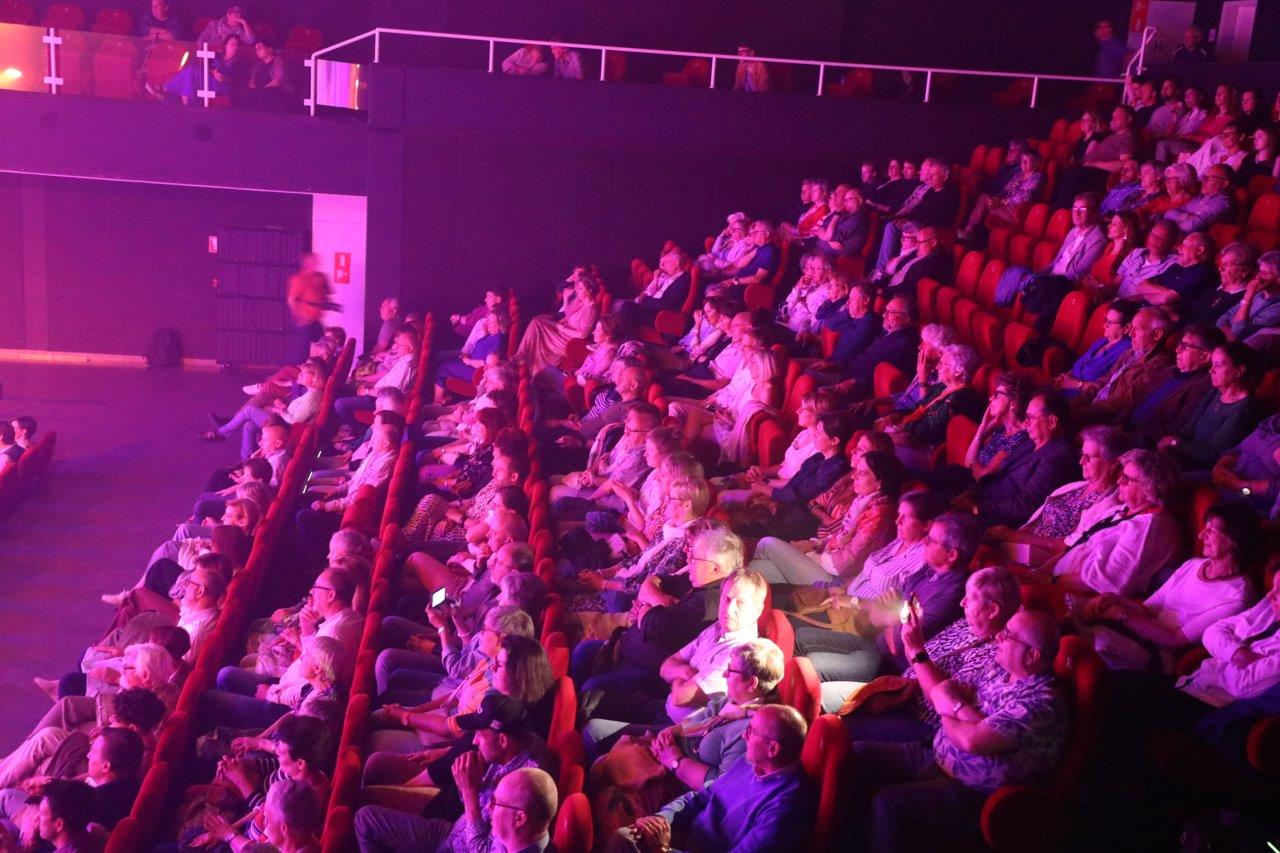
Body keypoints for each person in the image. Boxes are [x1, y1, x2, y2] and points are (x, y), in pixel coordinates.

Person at [848, 610, 1068, 852]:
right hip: (934, 754)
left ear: (1032, 655)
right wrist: (961, 710)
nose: (999, 637)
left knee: (888, 802)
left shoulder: (1041, 703)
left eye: (1008, 635)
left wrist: (952, 707)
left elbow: (970, 740)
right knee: (855, 756)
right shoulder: (999, 669)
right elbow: (943, 692)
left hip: (972, 793)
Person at [354, 694, 558, 853]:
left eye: (480, 734)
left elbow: (482, 848)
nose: (475, 740)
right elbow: (475, 804)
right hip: (455, 831)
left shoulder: (523, 784)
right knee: (366, 812)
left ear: (502, 740)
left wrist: (469, 791)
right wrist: (467, 782)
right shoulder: (516, 744)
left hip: (458, 845)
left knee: (365, 821)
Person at [791, 512, 977, 684]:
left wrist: (888, 616)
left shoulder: (950, 596)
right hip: (874, 644)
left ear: (952, 554)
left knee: (809, 667)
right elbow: (877, 613)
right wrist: (890, 616)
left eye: (931, 540)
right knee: (800, 636)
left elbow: (897, 646)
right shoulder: (928, 571)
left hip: (890, 666)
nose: (924, 542)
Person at [606, 704, 815, 853]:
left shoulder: (786, 808)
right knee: (624, 837)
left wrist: (664, 849)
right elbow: (701, 796)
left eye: (751, 731)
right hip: (686, 835)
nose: (744, 736)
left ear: (772, 749)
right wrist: (662, 819)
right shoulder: (748, 762)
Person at [833, 566, 1023, 729]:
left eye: (971, 599)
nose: (962, 602)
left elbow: (941, 701)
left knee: (836, 722)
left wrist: (915, 647)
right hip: (897, 690)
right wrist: (910, 635)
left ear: (992, 610)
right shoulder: (964, 624)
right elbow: (916, 661)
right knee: (829, 699)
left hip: (919, 720)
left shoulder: (998, 657)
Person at [1080, 504, 1259, 672]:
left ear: (1235, 540)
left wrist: (1122, 614)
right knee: (1076, 611)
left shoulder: (1235, 598)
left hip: (1159, 651)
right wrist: (1113, 599)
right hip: (1139, 630)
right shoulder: (1193, 565)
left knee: (1088, 642)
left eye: (1211, 530)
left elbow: (1175, 640)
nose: (1201, 535)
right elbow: (1149, 608)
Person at [1046, 448, 1183, 601]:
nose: (1118, 482)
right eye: (1121, 475)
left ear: (1149, 488)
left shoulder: (1147, 527)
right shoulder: (1121, 509)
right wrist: (1041, 572)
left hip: (1079, 597)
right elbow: (1077, 544)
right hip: (1058, 582)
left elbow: (1103, 581)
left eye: (1126, 479)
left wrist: (1049, 581)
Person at [987, 425, 1124, 569]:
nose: (1081, 462)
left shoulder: (1109, 505)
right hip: (1018, 546)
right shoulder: (1074, 487)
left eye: (1089, 457)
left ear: (1113, 464)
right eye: (1082, 454)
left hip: (1041, 562)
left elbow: (1071, 546)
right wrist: (1009, 536)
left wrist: (1013, 537)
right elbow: (1035, 521)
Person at [1157, 341, 1259, 471]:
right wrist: (1167, 446)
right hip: (1180, 456)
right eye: (1212, 364)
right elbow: (1187, 430)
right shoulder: (1215, 392)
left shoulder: (1243, 409)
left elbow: (1211, 454)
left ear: (1239, 370)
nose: (1211, 370)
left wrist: (1174, 443)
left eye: (1218, 365)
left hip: (1198, 469)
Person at [516, 270, 600, 373]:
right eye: (578, 287)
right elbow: (568, 314)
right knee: (537, 320)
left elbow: (582, 335)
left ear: (589, 290)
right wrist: (566, 300)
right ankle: (524, 357)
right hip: (563, 331)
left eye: (581, 288)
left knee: (538, 323)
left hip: (568, 340)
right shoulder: (582, 301)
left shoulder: (591, 310)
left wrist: (563, 329)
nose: (577, 290)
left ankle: (523, 358)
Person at [285, 253, 333, 362]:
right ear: (306, 264)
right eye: (311, 262)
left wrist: (326, 305)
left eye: (315, 261)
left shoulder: (321, 277)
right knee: (304, 350)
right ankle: (299, 369)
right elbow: (292, 300)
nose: (315, 264)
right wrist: (298, 316)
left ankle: (318, 368)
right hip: (305, 320)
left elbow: (326, 295)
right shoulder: (299, 279)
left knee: (322, 346)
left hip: (316, 319)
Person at [1164, 163, 1236, 233]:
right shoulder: (1202, 198)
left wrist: (1176, 220)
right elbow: (1168, 214)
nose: (1203, 181)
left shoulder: (1221, 204)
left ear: (1224, 183)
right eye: (1204, 177)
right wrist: (1187, 216)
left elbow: (1190, 226)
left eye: (1208, 178)